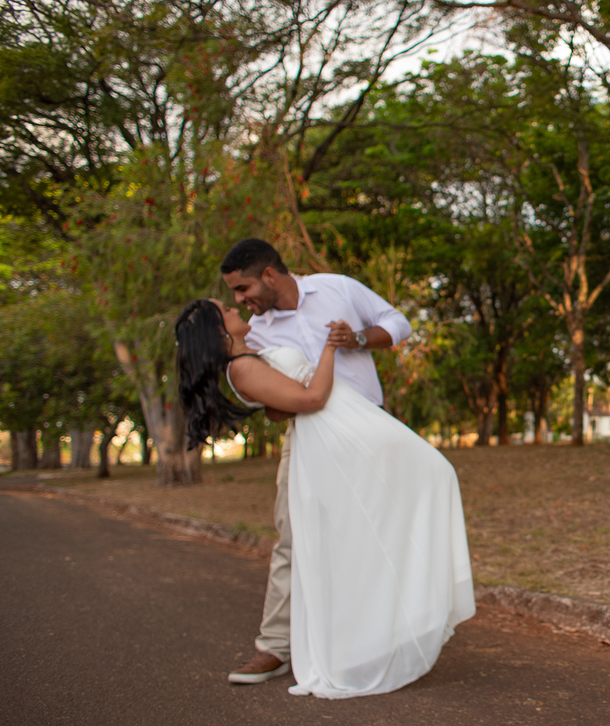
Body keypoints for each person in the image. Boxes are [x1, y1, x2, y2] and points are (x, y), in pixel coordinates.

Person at [175, 296, 474, 698]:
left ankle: (409, 610)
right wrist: (329, 350)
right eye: (224, 310)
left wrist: (286, 395)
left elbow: (282, 405)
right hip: (333, 427)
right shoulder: (241, 367)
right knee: (429, 477)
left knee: (419, 486)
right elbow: (312, 399)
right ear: (217, 330)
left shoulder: (250, 357)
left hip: (343, 420)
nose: (233, 308)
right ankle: (395, 619)